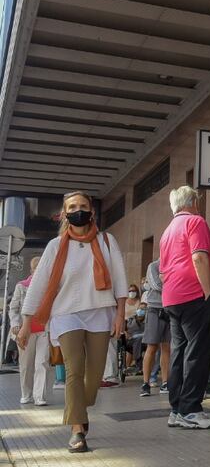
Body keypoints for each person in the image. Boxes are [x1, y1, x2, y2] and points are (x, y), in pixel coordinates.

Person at [18, 191, 128, 453]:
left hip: (100, 312)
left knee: (94, 375)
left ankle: (81, 408)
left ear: (91, 211)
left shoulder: (106, 241)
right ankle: (77, 429)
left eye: (83, 206)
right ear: (65, 214)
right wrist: (25, 321)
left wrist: (120, 314)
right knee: (74, 370)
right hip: (66, 313)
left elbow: (120, 278)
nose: (78, 210)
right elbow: (40, 284)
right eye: (73, 207)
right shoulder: (56, 246)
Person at [160, 186, 210, 430]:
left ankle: (176, 408)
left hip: (173, 297)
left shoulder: (168, 230)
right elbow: (199, 256)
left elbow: (163, 267)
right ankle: (191, 409)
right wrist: (208, 292)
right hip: (195, 294)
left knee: (179, 352)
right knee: (198, 352)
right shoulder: (195, 222)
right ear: (192, 202)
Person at [9, 256, 54, 406]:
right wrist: (16, 324)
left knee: (42, 363)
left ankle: (39, 396)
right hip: (25, 332)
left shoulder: (49, 289)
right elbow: (13, 309)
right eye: (37, 269)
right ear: (32, 270)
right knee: (27, 365)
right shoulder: (21, 286)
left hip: (43, 330)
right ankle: (26, 394)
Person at [140, 259, 170, 396]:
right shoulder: (153, 266)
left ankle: (165, 382)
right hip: (154, 308)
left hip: (169, 308)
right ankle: (145, 383)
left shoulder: (174, 263)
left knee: (166, 347)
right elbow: (156, 285)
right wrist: (175, 285)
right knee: (152, 347)